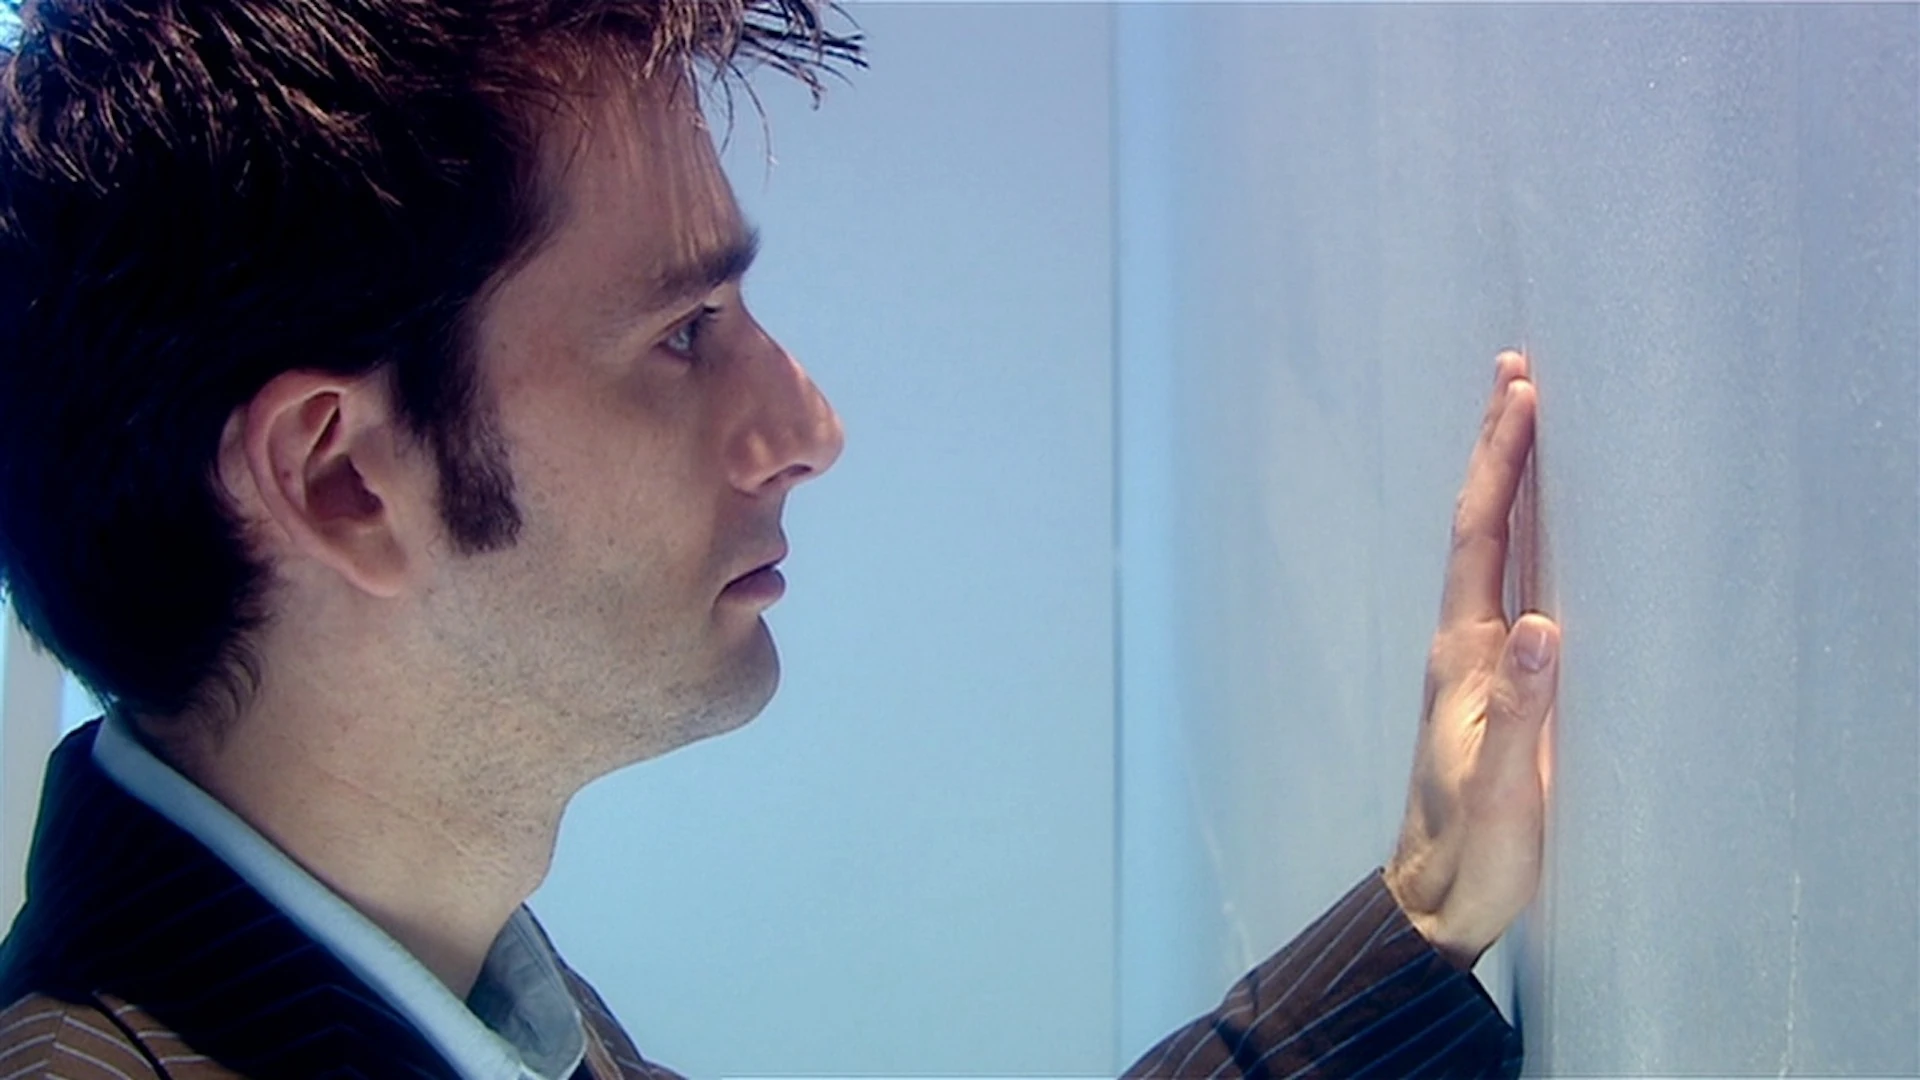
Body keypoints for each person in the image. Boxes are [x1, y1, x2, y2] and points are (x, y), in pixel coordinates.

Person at [0, 0, 1561, 1077]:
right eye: (684, 331)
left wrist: (1423, 914)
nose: (809, 425)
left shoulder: (454, 994)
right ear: (343, 479)